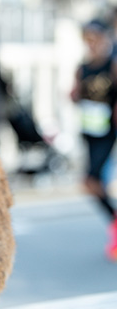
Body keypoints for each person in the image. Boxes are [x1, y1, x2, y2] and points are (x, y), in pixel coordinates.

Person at [71, 19, 117, 260]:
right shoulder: (83, 67)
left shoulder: (112, 65)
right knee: (90, 183)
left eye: (95, 39)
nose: (91, 44)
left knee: (93, 179)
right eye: (87, 40)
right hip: (89, 130)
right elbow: (77, 94)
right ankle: (115, 222)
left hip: (108, 132)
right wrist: (74, 95)